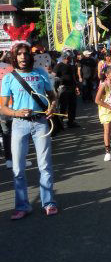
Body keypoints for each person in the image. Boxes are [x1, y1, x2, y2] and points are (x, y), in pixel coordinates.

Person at [0, 41, 58, 219]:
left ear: (30, 56)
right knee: (17, 168)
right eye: (19, 54)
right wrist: (16, 112)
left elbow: (52, 96)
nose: (23, 57)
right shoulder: (9, 78)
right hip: (19, 124)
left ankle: (48, 203)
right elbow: (2, 107)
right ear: (14, 57)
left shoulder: (40, 73)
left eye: (26, 54)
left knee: (45, 165)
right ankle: (22, 206)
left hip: (40, 123)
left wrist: (52, 106)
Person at [55, 50, 80, 127]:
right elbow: (53, 76)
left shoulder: (71, 66)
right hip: (63, 88)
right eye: (69, 58)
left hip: (71, 87)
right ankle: (60, 122)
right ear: (65, 57)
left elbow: (73, 77)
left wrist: (76, 86)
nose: (70, 59)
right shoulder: (59, 66)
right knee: (63, 106)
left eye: (70, 58)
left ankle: (71, 122)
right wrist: (58, 82)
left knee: (73, 105)